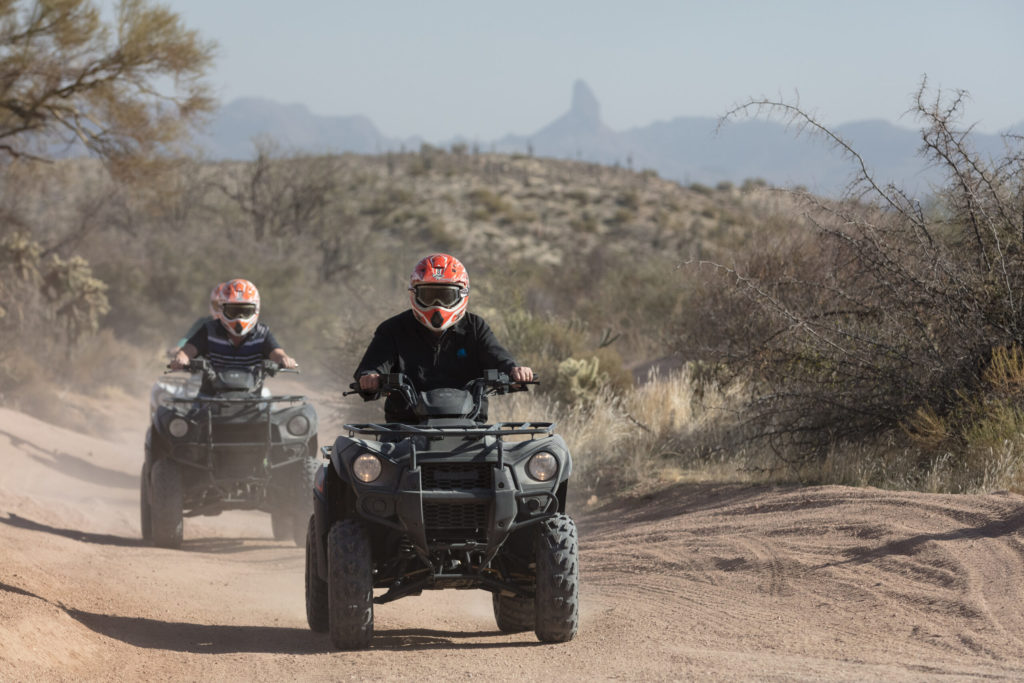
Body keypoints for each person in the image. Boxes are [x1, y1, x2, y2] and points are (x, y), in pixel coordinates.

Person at [354, 253, 533, 423]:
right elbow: (371, 367)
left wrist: (514, 372)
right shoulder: (393, 329)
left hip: (469, 428)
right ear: (414, 294)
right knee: (355, 446)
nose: (437, 305)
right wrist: (369, 378)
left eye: (445, 296)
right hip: (406, 429)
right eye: (429, 296)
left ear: (462, 294)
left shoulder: (475, 327)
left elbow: (498, 357)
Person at [171, 278, 298, 377]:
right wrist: (182, 357)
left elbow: (276, 352)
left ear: (256, 309)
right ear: (222, 309)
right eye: (233, 311)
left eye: (245, 311)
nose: (239, 318)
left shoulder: (262, 333)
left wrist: (284, 359)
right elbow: (189, 349)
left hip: (252, 398)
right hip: (210, 397)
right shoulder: (209, 330)